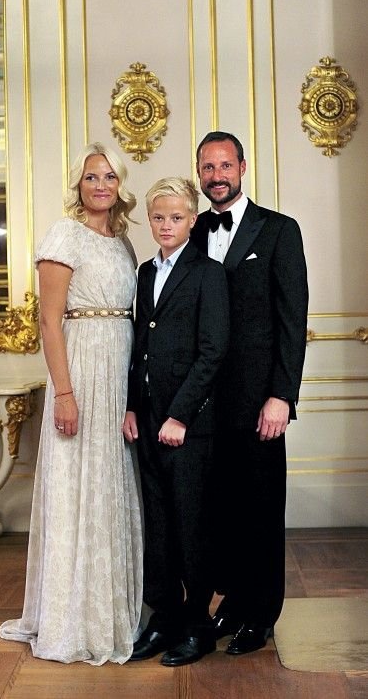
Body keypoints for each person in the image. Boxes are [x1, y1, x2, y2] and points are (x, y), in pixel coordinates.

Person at [0, 142, 143, 665]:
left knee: (110, 482)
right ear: (77, 185)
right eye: (91, 177)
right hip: (80, 372)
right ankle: (72, 615)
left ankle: (112, 608)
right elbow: (48, 321)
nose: (100, 184)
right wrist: (64, 392)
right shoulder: (63, 234)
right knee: (78, 484)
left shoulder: (124, 243)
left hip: (118, 373)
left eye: (109, 176)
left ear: (120, 185)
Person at [190, 131, 309, 655]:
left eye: (224, 165)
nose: (216, 176)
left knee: (260, 509)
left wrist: (282, 395)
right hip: (202, 405)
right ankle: (232, 604)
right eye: (207, 167)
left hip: (259, 401)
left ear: (241, 166)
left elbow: (292, 320)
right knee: (219, 512)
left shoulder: (280, 231)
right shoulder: (189, 231)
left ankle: (261, 615)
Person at [123, 177, 230, 667]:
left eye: (177, 217)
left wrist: (180, 415)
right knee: (158, 526)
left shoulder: (208, 273)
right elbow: (138, 349)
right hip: (144, 420)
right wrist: (131, 406)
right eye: (158, 217)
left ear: (192, 219)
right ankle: (163, 617)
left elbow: (213, 353)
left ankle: (198, 625)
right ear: (150, 221)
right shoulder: (145, 272)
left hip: (186, 425)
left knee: (192, 527)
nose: (167, 225)